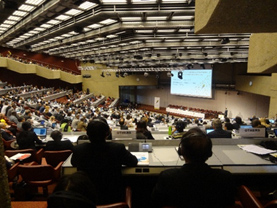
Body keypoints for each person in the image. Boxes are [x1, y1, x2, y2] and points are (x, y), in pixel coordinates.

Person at [152, 129, 236, 207]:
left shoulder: (167, 177)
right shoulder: (225, 177)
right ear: (209, 153)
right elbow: (229, 202)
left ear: (181, 151)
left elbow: (156, 202)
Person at [71, 117, 138, 205]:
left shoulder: (78, 149)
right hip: (114, 197)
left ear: (87, 133)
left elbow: (73, 163)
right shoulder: (117, 149)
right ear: (107, 133)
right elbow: (133, 161)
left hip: (87, 198)